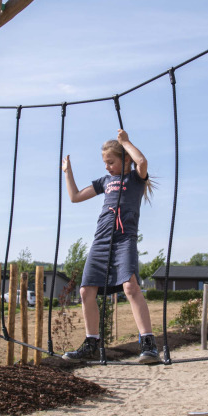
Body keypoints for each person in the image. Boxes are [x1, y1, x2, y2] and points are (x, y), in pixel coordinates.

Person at [61, 129, 159, 364]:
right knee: (86, 291)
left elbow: (142, 161)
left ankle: (148, 343)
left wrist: (126, 142)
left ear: (125, 159)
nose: (107, 167)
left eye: (111, 162)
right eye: (104, 163)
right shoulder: (105, 182)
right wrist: (68, 172)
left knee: (131, 287)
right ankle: (91, 342)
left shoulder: (135, 178)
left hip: (124, 239)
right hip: (102, 239)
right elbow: (74, 197)